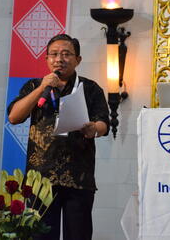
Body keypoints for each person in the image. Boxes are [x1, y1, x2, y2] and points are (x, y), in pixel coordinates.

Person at [7, 34, 110, 240]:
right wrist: (41, 89)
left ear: (78, 59)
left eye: (66, 54)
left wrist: (94, 128)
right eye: (54, 54)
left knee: (78, 235)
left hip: (78, 177)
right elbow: (14, 117)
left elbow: (104, 124)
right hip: (41, 178)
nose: (59, 59)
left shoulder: (89, 88)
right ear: (46, 59)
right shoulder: (34, 86)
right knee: (41, 235)